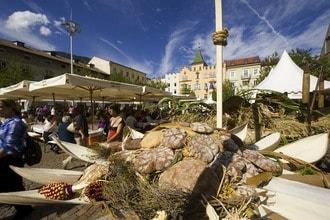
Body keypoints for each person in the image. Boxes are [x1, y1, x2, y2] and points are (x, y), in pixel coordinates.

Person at [0, 99, 33, 218]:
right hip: (6, 157)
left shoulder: (15, 123)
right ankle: (24, 207)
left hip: (11, 158)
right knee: (13, 185)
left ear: (11, 108)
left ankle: (24, 209)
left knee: (13, 185)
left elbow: (9, 144)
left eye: (1, 107)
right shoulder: (7, 121)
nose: (0, 109)